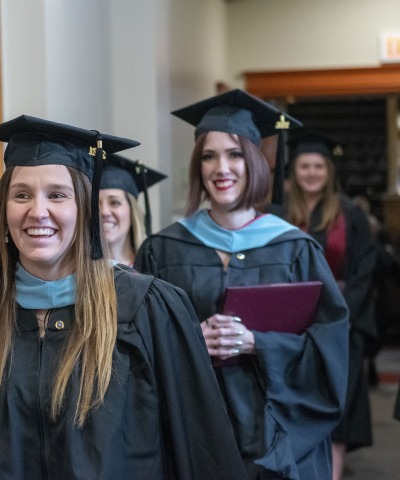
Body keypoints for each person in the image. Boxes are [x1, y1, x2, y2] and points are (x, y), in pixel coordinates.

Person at [0, 115, 248, 480]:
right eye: (21, 195)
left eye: (57, 195)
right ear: (4, 210)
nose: (37, 211)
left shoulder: (147, 308)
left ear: (84, 207)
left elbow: (202, 453)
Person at [134, 90, 350, 480]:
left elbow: (329, 346)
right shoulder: (163, 249)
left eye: (235, 154)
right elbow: (138, 344)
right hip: (194, 428)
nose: (222, 168)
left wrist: (257, 343)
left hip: (276, 431)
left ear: (255, 162)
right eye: (209, 156)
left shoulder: (295, 248)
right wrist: (188, 339)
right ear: (197, 167)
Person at [268, 135, 375, 479]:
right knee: (294, 397)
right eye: (304, 166)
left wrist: (341, 315)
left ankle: (333, 473)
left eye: (318, 166)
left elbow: (364, 267)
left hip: (343, 320)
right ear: (293, 170)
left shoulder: (350, 213)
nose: (311, 173)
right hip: (291, 322)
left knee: (337, 398)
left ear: (328, 170)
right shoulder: (277, 211)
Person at [99, 153, 165, 266]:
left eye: (115, 202)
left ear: (132, 212)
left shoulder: (156, 268)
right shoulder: (73, 274)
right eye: (95, 204)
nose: (104, 211)